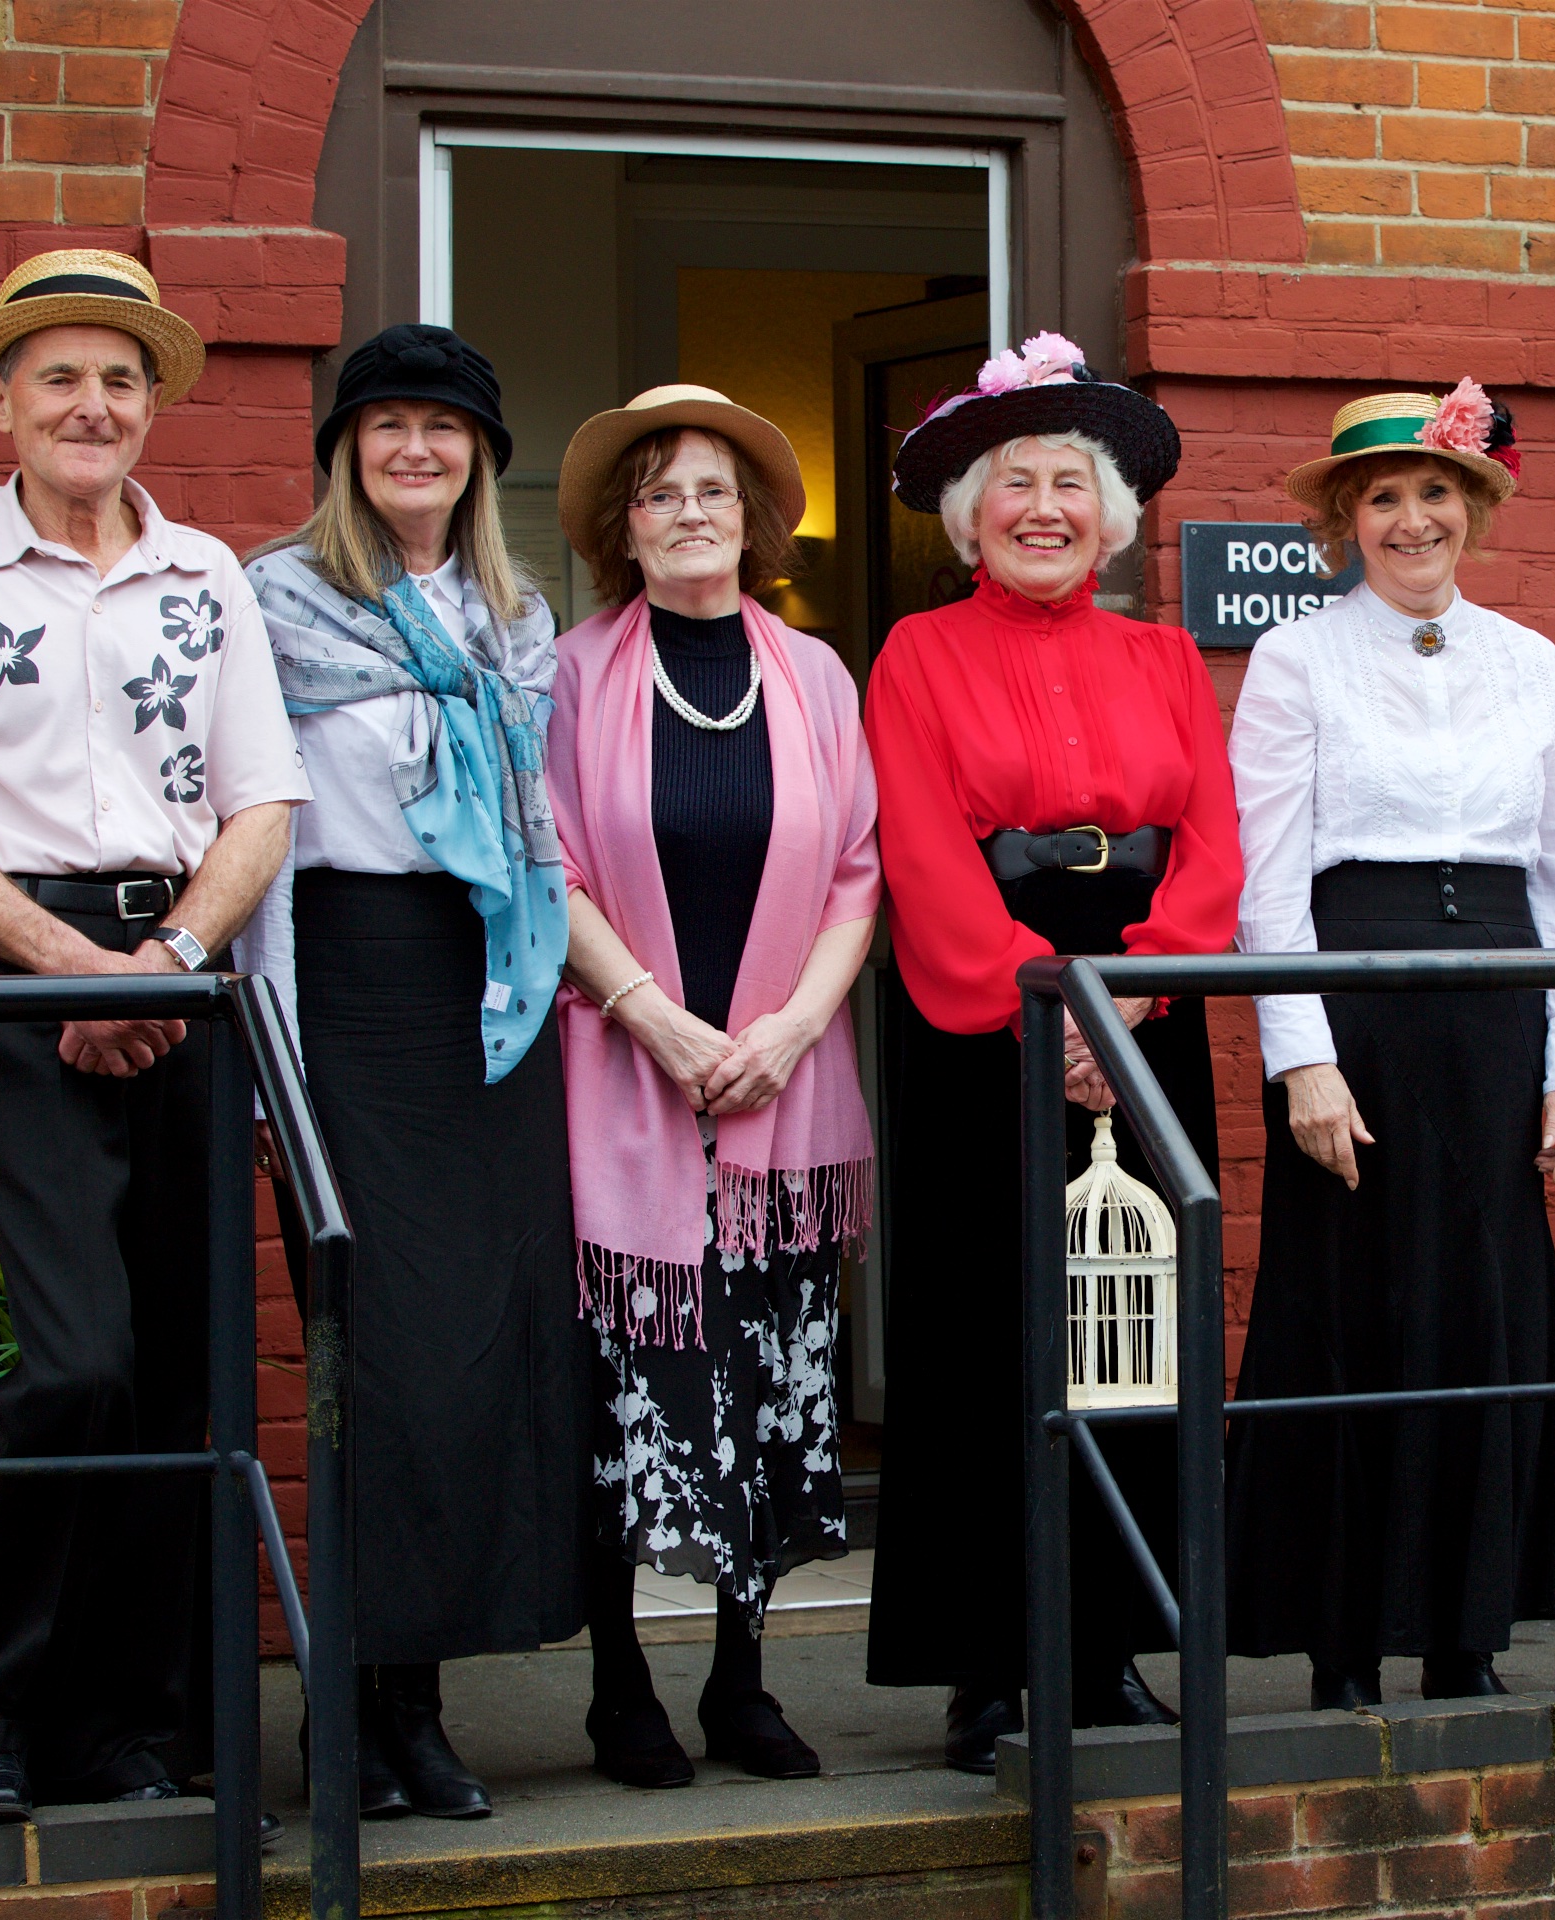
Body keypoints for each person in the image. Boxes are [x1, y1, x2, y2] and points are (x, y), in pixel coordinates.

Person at [0, 250, 309, 1818]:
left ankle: (128, 1728)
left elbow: (262, 807)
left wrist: (162, 961)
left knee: (177, 1370)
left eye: (119, 379)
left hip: (182, 971)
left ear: (150, 404)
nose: (92, 406)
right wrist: (70, 969)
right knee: (78, 1358)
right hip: (14, 975)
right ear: (1, 401)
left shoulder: (208, 576)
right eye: (60, 378)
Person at [863, 334, 1237, 1773]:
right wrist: (1054, 1004)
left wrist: (1134, 991)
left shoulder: (1164, 657)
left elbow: (1213, 843)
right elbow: (920, 849)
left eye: (1069, 483)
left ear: (1111, 514)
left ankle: (1112, 1646)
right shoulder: (917, 653)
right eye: (1012, 482)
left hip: (1145, 991)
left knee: (1127, 1328)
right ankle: (989, 1666)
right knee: (989, 1329)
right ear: (971, 516)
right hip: (988, 1006)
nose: (1042, 508)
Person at [1226, 382, 1555, 1707]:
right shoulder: (1296, 658)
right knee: (1352, 1300)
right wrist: (1302, 1054)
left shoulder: (1531, 661)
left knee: (1483, 1304)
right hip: (1360, 995)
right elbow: (1270, 879)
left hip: (1498, 997)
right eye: (1383, 497)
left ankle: (1468, 1632)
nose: (1411, 519)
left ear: (1472, 509)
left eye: (1433, 492)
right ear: (1347, 518)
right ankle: (1343, 1643)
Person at [238, 324, 578, 1819]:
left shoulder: (517, 618)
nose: (417, 449)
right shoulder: (273, 603)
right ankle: (346, 1711)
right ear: (347, 451)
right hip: (348, 989)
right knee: (376, 1353)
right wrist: (274, 1053)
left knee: (477, 1353)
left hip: (490, 995)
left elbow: (538, 823)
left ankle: (417, 1712)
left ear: (482, 456)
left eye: (445, 427)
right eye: (387, 425)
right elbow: (256, 833)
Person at [545, 386, 879, 1782]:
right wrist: (657, 1020)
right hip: (623, 1077)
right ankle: (619, 1684)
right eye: (660, 492)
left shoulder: (816, 678)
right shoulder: (569, 675)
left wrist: (792, 1029)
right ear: (624, 528)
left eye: (714, 491)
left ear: (754, 522)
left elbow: (857, 874)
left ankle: (744, 1682)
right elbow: (549, 866)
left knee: (767, 1380)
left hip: (782, 1093)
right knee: (621, 1390)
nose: (690, 513)